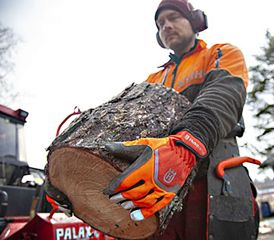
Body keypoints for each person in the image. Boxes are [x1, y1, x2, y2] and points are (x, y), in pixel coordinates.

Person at [47, 0, 259, 239]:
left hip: (213, 176)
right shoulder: (153, 78)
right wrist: (74, 182)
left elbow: (223, 94)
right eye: (161, 23)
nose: (167, 26)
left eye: (173, 17)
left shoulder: (220, 53)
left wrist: (189, 143)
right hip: (158, 190)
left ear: (194, 21)